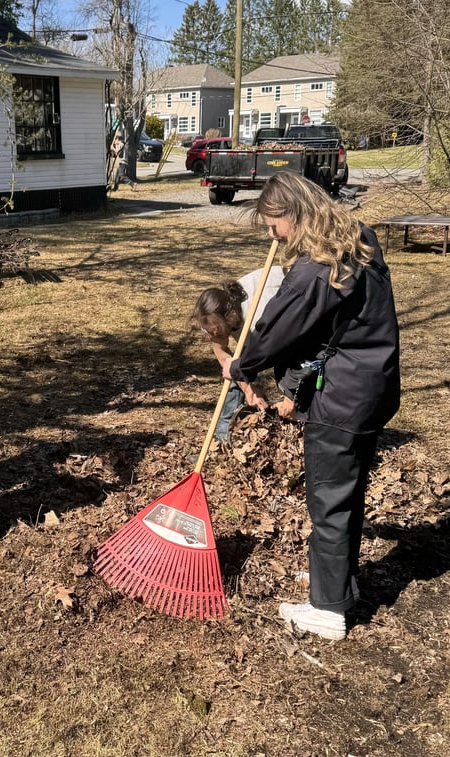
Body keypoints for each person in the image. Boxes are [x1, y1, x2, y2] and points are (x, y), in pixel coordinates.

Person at [222, 171, 400, 641]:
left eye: (272, 223)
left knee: (328, 499)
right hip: (373, 386)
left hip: (342, 398)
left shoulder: (315, 268)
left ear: (295, 215)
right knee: (348, 493)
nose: (270, 234)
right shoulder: (356, 240)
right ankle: (339, 584)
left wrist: (243, 366)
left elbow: (280, 328)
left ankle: (327, 611)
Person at [192, 265, 285, 440]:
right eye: (209, 331)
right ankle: (222, 439)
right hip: (254, 332)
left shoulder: (258, 317)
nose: (213, 335)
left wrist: (252, 388)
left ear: (232, 315)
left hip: (289, 315)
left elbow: (280, 351)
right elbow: (222, 354)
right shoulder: (212, 318)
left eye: (217, 330)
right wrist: (248, 388)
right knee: (234, 373)